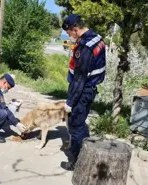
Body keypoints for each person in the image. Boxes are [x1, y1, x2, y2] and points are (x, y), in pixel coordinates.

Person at [61, 14, 106, 171]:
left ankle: (78, 162)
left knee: (75, 125)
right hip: (90, 88)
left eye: (69, 33)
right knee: (81, 124)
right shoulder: (96, 38)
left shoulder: (85, 47)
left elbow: (79, 79)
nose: (69, 36)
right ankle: (87, 149)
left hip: (82, 90)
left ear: (75, 29)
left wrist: (69, 102)